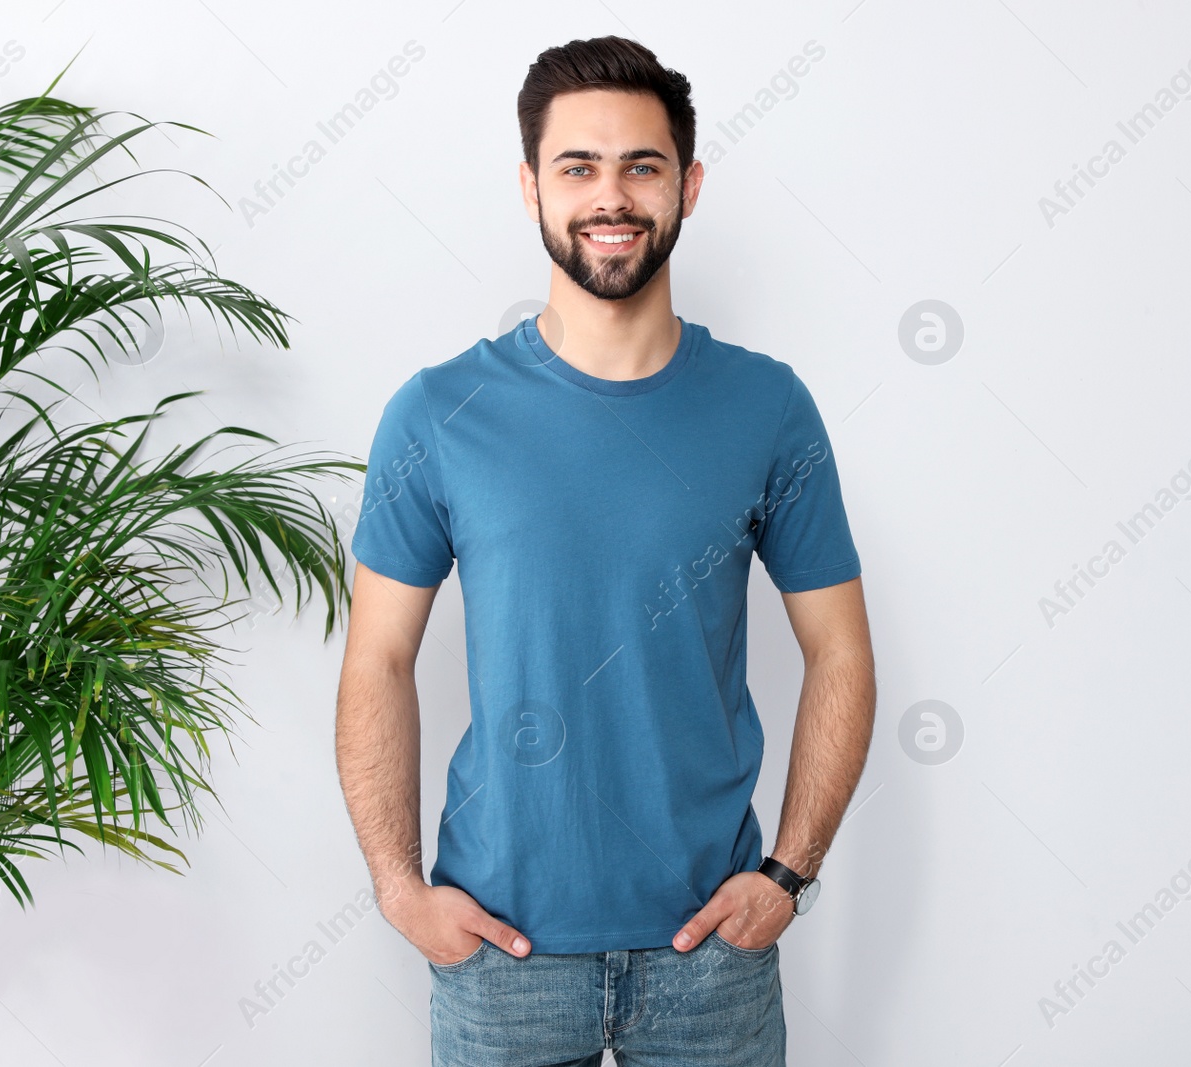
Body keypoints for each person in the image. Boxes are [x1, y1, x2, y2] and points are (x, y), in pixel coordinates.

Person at [335, 34, 875, 1067]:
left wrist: (788, 873)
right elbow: (378, 659)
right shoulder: (440, 413)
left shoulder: (768, 406)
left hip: (711, 955)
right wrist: (400, 888)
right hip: (500, 954)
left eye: (642, 164)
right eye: (578, 166)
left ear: (689, 185)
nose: (610, 195)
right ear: (531, 185)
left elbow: (841, 654)